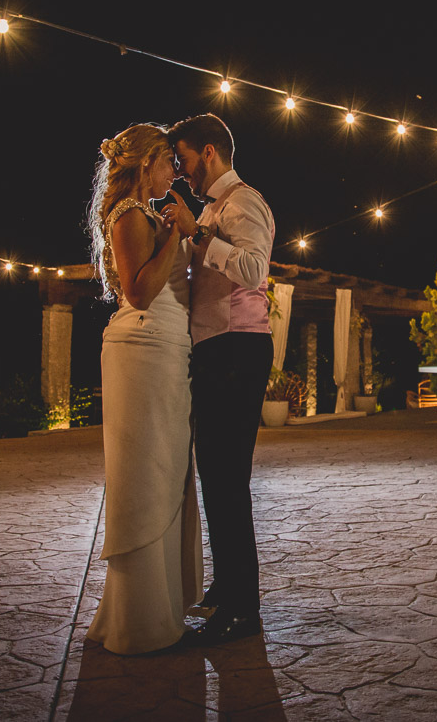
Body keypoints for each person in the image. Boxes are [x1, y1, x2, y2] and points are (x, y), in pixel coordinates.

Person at [84, 123, 202, 654]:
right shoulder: (129, 215)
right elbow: (138, 293)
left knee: (167, 470)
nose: (174, 173)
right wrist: (177, 234)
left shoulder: (147, 213)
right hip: (144, 349)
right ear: (148, 161)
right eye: (168, 164)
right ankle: (142, 622)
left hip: (165, 353)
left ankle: (161, 610)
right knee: (149, 475)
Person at [165, 113, 275, 644]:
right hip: (216, 349)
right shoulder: (211, 208)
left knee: (227, 478)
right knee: (216, 477)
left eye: (183, 159)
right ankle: (227, 588)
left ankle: (243, 611)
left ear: (208, 152)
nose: (181, 172)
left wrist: (200, 235)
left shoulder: (244, 201)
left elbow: (255, 270)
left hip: (238, 345)